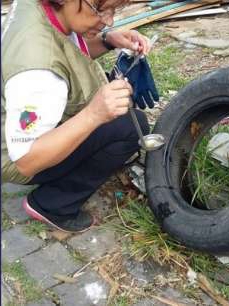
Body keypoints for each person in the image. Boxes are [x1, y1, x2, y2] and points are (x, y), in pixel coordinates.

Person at [1, 0, 154, 233]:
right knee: (130, 127)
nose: (109, 20)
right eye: (101, 10)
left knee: (108, 98)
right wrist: (93, 115)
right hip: (19, 157)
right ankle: (53, 204)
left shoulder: (40, 7)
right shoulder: (39, 71)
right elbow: (26, 160)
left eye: (114, 10)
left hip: (13, 116)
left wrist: (107, 40)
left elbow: (68, 51)